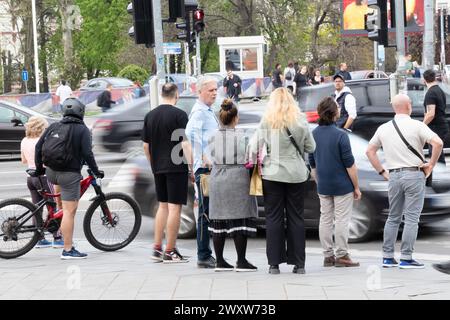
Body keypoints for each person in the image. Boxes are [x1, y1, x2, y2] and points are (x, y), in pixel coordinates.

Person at [366, 94, 443, 269]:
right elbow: (437, 143)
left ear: (394, 108)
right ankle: (406, 258)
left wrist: (382, 172)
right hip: (413, 175)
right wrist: (430, 164)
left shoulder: (383, 128)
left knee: (393, 217)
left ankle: (387, 257)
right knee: (411, 218)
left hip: (393, 176)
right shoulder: (417, 125)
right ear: (408, 106)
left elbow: (370, 151)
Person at [249, 87, 316, 275]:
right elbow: (311, 146)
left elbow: (253, 147)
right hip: (296, 174)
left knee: (273, 218)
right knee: (296, 217)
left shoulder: (267, 120)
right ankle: (299, 264)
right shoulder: (300, 120)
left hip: (272, 174)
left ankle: (274, 264)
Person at [35, 98, 104, 259]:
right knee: (69, 212)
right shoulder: (83, 130)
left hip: (51, 172)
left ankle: (57, 219)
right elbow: (87, 153)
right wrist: (96, 170)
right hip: (69, 174)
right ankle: (67, 249)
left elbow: (39, 147)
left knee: (62, 205)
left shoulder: (54, 126)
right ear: (81, 112)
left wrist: (39, 169)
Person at [142, 83, 192, 263]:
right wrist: (192, 167)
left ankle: (157, 249)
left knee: (162, 206)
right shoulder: (179, 115)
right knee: (174, 208)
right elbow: (185, 144)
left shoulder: (150, 115)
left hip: (158, 168)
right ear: (176, 95)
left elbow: (145, 146)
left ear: (162, 94)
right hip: (176, 167)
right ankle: (170, 251)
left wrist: (153, 164)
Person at [309, 97, 361, 268]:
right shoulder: (341, 135)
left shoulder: (313, 134)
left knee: (325, 218)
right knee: (341, 220)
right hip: (342, 185)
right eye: (338, 107)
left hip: (323, 184)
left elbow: (312, 163)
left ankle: (328, 255)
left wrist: (319, 181)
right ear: (334, 113)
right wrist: (356, 186)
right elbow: (350, 165)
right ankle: (342, 255)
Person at [208, 99, 258, 272]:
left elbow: (210, 156)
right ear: (235, 118)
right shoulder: (242, 136)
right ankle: (241, 261)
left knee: (218, 220)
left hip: (217, 177)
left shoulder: (212, 136)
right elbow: (250, 158)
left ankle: (220, 261)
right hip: (237, 178)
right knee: (240, 218)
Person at [185, 76, 219, 269]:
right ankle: (203, 255)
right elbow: (190, 132)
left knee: (207, 211)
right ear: (200, 92)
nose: (214, 92)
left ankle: (206, 253)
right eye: (210, 90)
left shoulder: (207, 110)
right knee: (205, 213)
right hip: (205, 169)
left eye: (215, 89)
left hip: (208, 167)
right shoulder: (199, 111)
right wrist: (205, 155)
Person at [21, 116, 64, 249]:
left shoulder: (24, 140)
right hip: (44, 177)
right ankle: (57, 237)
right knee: (53, 207)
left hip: (30, 178)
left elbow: (23, 160)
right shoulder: (43, 140)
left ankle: (39, 239)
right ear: (41, 127)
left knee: (36, 208)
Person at [423, 69, 448, 165]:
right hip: (441, 126)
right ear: (434, 78)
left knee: (435, 154)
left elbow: (431, 114)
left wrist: (422, 125)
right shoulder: (439, 90)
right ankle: (441, 176)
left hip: (435, 127)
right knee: (438, 153)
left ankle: (440, 177)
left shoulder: (430, 93)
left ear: (424, 79)